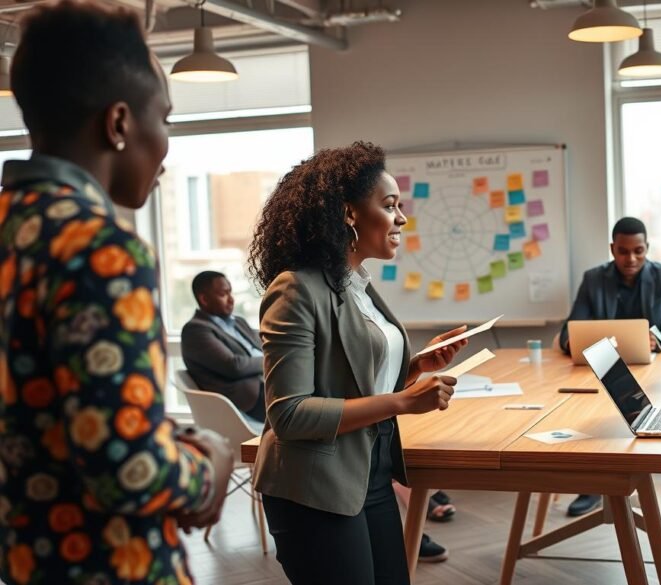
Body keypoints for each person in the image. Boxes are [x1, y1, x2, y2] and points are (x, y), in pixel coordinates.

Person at [0, 2, 234, 583]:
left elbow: (45, 410)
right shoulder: (100, 249)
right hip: (113, 566)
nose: (167, 144)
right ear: (119, 123)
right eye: (167, 119)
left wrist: (171, 436)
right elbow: (124, 469)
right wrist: (211, 464)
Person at [248, 142, 469, 585]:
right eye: (389, 206)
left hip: (370, 474)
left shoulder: (355, 285)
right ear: (349, 214)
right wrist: (403, 402)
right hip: (314, 488)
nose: (402, 219)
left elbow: (351, 380)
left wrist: (414, 368)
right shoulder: (295, 290)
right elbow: (289, 414)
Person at [558, 216, 661, 516]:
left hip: (652, 368)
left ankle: (631, 477)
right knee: (587, 411)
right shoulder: (593, 279)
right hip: (603, 370)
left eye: (639, 251)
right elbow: (569, 332)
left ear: (647, 248)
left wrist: (657, 339)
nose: (631, 259)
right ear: (612, 249)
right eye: (623, 251)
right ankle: (595, 485)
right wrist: (573, 343)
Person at [181, 271, 266, 422]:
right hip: (247, 398)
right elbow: (234, 366)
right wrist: (273, 360)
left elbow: (263, 346)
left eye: (230, 292)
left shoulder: (238, 322)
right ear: (204, 299)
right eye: (223, 294)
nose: (231, 299)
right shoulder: (195, 330)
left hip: (268, 382)